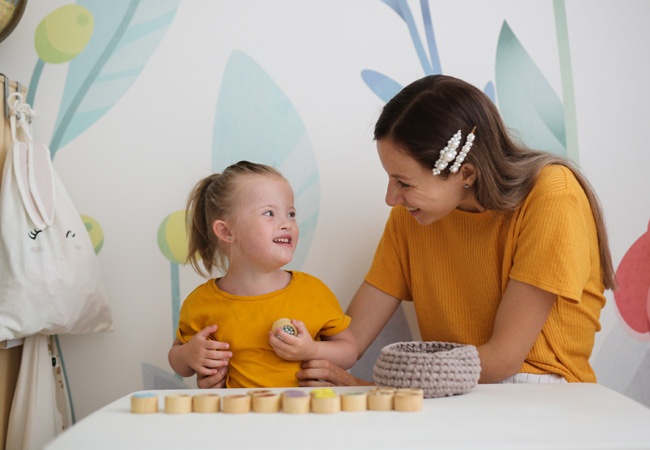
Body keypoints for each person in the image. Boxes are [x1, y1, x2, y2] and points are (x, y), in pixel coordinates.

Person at [168, 161, 357, 388]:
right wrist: (189, 355)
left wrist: (313, 350)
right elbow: (177, 360)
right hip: (238, 419)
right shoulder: (201, 302)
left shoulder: (314, 292)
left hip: (303, 418)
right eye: (269, 213)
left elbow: (350, 351)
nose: (286, 223)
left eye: (291, 213)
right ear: (227, 231)